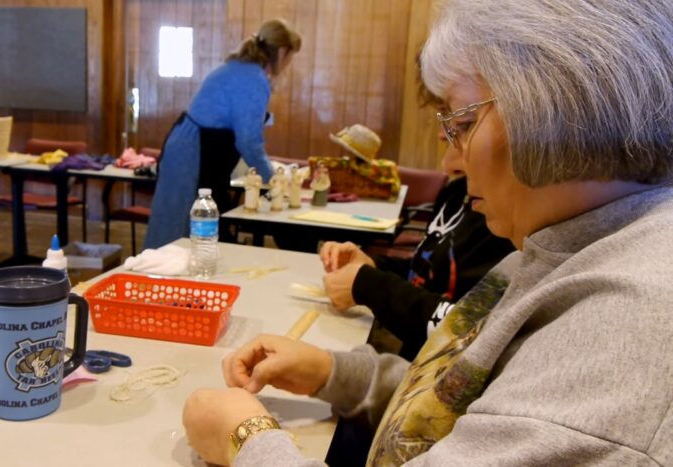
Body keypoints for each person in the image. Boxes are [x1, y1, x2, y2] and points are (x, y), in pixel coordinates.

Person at [182, 0, 673, 465]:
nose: (449, 158)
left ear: (544, 110)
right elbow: (457, 393)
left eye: (461, 122)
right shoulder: (557, 247)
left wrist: (245, 439)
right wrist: (335, 374)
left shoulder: (623, 328)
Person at [320, 143, 515, 361]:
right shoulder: (456, 193)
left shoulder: (508, 233)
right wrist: (372, 267)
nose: (447, 164)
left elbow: (467, 333)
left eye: (466, 125)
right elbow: (428, 271)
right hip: (412, 367)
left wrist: (371, 285)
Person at [144, 19, 301, 249]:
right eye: (290, 57)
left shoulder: (241, 69)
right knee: (182, 228)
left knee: (195, 223)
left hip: (192, 146)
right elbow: (248, 141)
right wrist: (274, 181)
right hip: (193, 152)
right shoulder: (254, 78)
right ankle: (169, 279)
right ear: (282, 51)